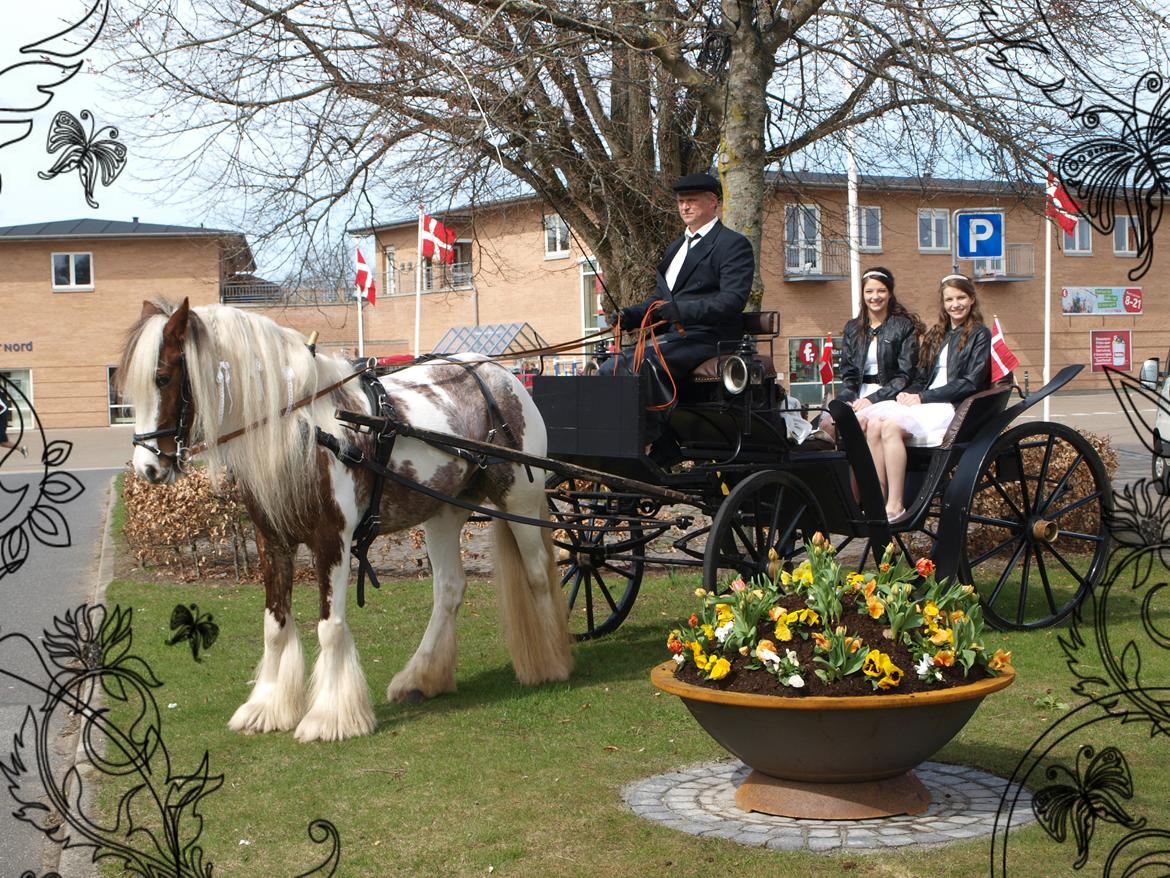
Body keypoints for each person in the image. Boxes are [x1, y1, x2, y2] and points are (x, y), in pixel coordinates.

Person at [857, 274, 991, 520]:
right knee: (874, 424)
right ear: (943, 303)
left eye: (961, 298)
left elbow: (970, 382)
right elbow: (920, 376)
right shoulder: (936, 335)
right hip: (927, 401)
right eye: (949, 299)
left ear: (972, 299)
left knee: (890, 428)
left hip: (951, 406)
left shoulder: (979, 335)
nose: (955, 304)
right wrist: (911, 393)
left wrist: (924, 397)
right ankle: (879, 498)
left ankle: (896, 505)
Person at [611, 171, 755, 381]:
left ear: (712, 201)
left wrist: (681, 310)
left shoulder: (732, 244)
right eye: (680, 202)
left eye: (691, 201)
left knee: (643, 365)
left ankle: (654, 414)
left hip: (707, 337)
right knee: (611, 365)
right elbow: (661, 300)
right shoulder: (675, 247)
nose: (684, 207)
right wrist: (631, 316)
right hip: (672, 338)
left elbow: (731, 301)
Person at [822, 267, 920, 439]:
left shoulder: (903, 326)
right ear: (863, 294)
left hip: (889, 395)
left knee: (859, 423)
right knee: (826, 425)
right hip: (858, 395)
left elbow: (904, 374)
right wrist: (846, 401)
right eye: (869, 291)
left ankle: (865, 466)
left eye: (881, 291)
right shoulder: (852, 328)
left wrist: (872, 399)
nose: (875, 297)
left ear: (890, 293)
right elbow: (849, 374)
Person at [0, 386, 28, 457]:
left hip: (1, 421)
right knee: (3, 443)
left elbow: (3, 408)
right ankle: (21, 449)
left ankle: (21, 449)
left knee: (3, 442)